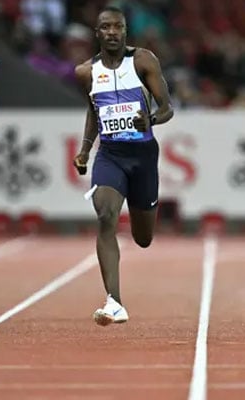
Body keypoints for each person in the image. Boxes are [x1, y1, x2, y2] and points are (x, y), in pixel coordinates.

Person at [72, 6, 174, 326]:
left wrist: (150, 119)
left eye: (118, 26)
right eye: (106, 27)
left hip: (143, 156)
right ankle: (114, 302)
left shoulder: (143, 61)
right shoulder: (85, 72)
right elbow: (93, 111)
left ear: (126, 31)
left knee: (143, 238)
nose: (112, 32)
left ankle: (140, 222)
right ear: (97, 33)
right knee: (105, 216)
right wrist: (86, 150)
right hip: (110, 155)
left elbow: (167, 108)